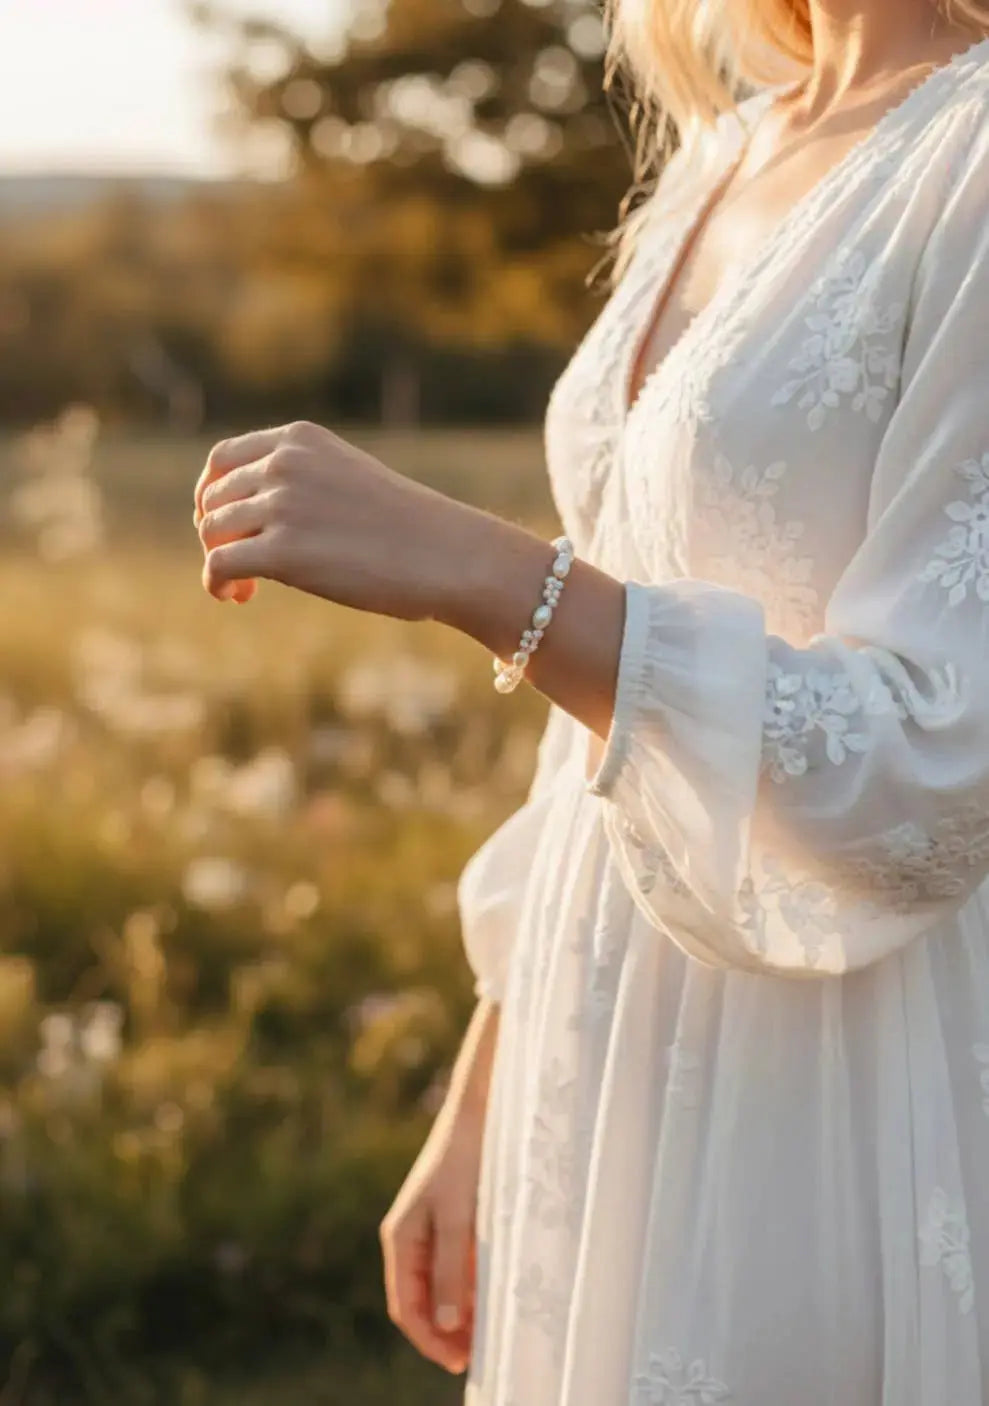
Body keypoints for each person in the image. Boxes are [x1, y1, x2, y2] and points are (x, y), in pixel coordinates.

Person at [193, 0, 989, 1398]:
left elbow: (930, 761)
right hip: (596, 1019)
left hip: (829, 1062)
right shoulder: (731, 144)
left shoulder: (969, 157)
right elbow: (606, 705)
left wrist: (479, 570)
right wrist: (484, 1087)